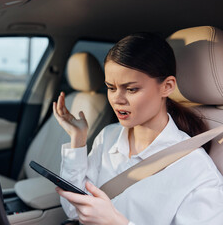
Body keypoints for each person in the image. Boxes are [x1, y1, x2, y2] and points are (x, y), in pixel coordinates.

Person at [53, 33, 223, 225]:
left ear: (167, 86)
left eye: (131, 89)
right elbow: (74, 211)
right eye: (111, 87)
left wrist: (116, 223)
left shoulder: (196, 170)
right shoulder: (108, 137)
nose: (117, 99)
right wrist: (77, 141)